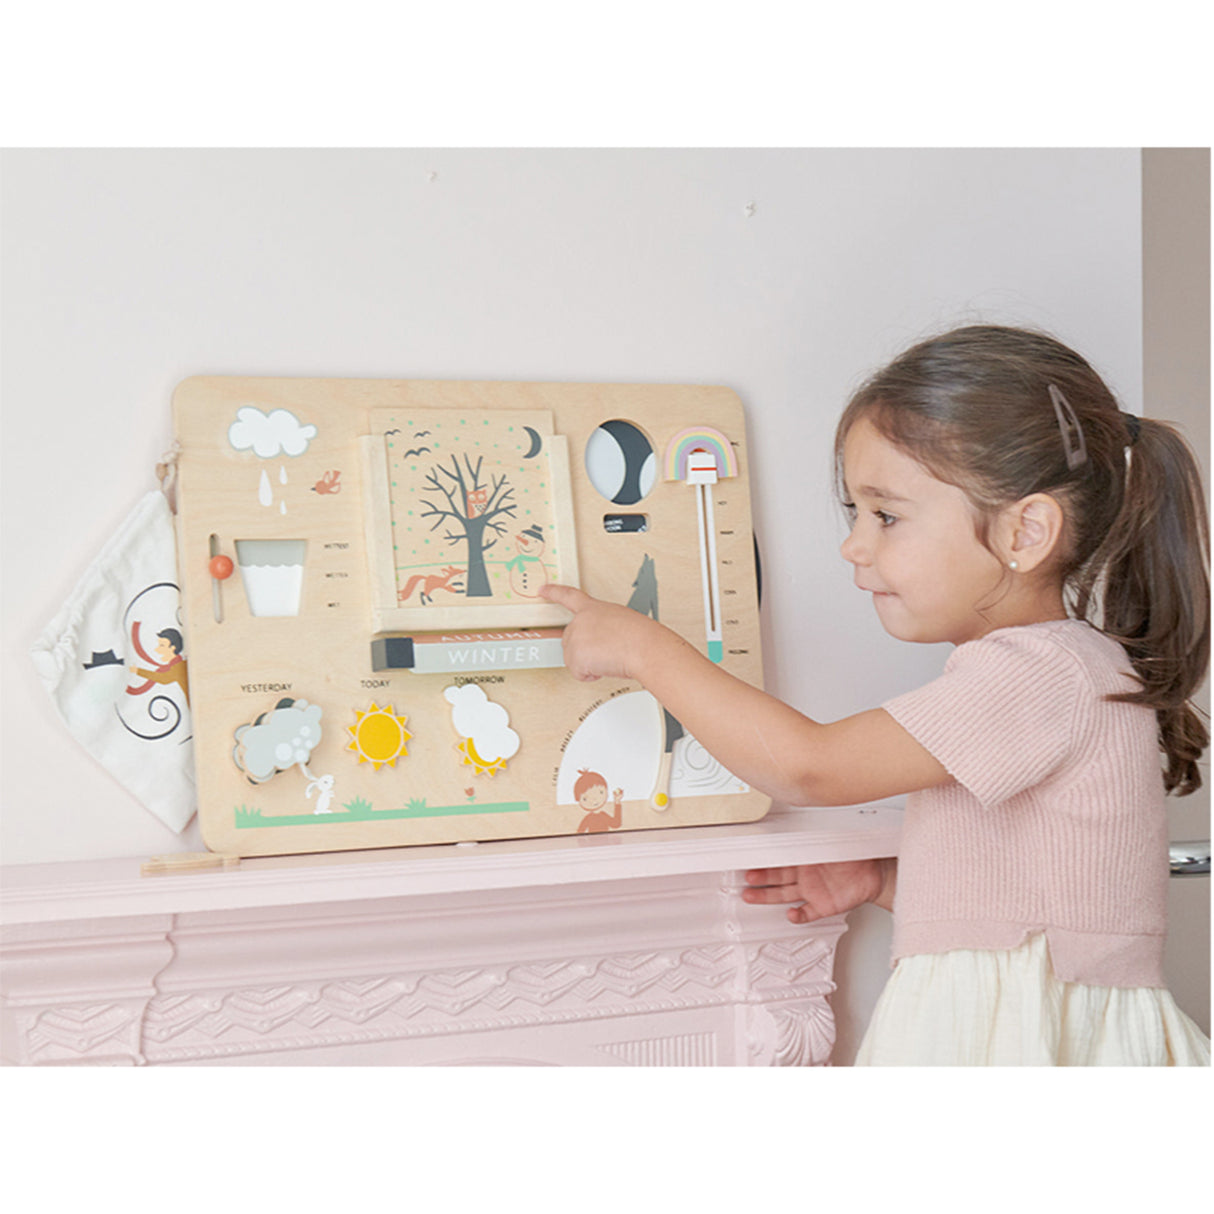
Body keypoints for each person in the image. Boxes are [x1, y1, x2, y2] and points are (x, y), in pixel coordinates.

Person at [542, 325, 1211, 1066]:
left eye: (886, 515)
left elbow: (811, 767)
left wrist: (644, 649)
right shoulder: (1053, 671)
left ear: (1027, 530)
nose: (854, 545)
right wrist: (883, 880)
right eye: (854, 513)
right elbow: (1038, 895)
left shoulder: (1039, 672)